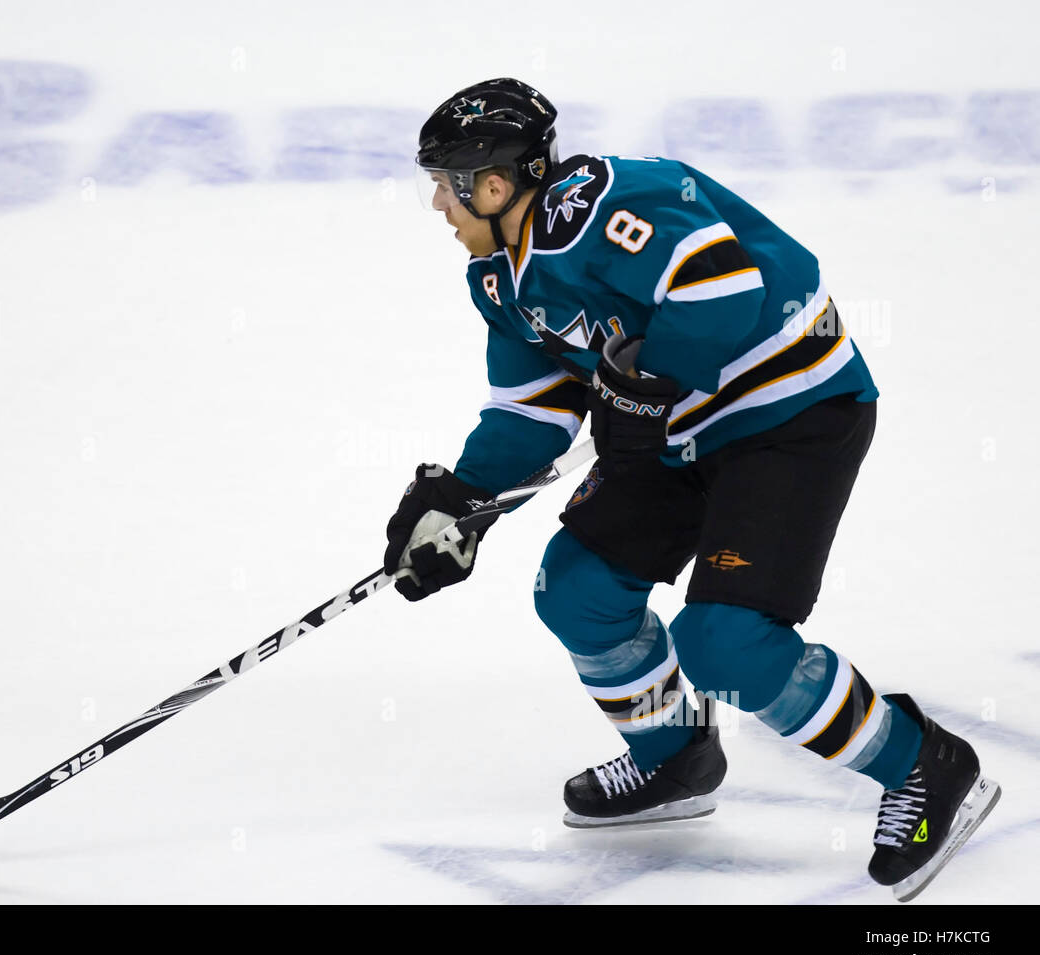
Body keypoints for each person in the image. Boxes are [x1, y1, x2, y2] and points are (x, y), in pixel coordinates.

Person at [382, 78, 1000, 902]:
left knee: (726, 644)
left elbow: (722, 287)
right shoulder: (501, 277)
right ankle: (676, 754)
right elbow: (534, 410)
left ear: (494, 184)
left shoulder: (609, 203)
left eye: (446, 182)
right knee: (576, 589)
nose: (437, 203)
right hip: (673, 429)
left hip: (790, 414)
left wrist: (650, 382)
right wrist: (464, 497)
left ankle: (924, 762)